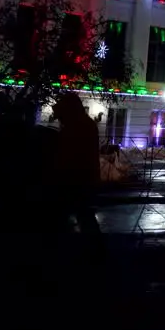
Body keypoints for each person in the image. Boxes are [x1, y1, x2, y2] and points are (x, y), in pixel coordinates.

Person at [50, 92, 100, 235]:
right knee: (84, 218)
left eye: (61, 113)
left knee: (81, 218)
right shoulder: (83, 124)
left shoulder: (78, 127)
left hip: (77, 182)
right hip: (81, 182)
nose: (59, 118)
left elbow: (69, 156)